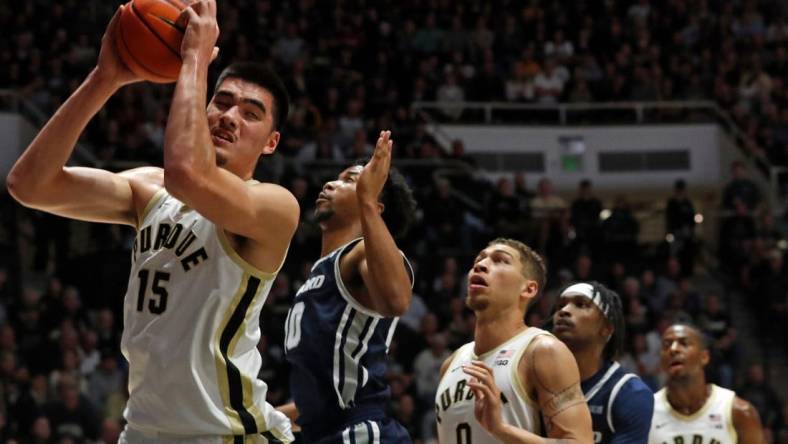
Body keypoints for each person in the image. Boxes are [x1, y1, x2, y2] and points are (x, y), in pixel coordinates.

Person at [7, 2, 298, 442]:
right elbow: (30, 185)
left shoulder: (274, 207)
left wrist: (195, 56)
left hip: (223, 433)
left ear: (272, 143)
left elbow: (187, 174)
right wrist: (104, 79)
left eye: (251, 113)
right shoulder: (149, 189)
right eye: (221, 102)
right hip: (143, 429)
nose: (230, 117)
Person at [278, 131, 418, 443]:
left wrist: (367, 200)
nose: (330, 184)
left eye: (350, 180)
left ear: (376, 205)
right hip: (324, 432)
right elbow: (320, 401)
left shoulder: (363, 255)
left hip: (362, 433)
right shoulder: (319, 275)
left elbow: (396, 300)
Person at [435, 238, 593, 443]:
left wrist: (500, 429)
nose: (480, 265)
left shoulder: (542, 351)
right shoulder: (451, 362)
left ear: (528, 289)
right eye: (479, 259)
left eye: (500, 260)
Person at [551, 281, 654, 443]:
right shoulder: (536, 381)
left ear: (606, 328)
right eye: (560, 306)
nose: (564, 311)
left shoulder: (630, 393)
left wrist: (504, 430)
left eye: (580, 304)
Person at [648, 324, 766, 444]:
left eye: (684, 343)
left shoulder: (739, 412)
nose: (673, 349)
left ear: (704, 357)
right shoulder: (645, 414)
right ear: (661, 362)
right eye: (666, 345)